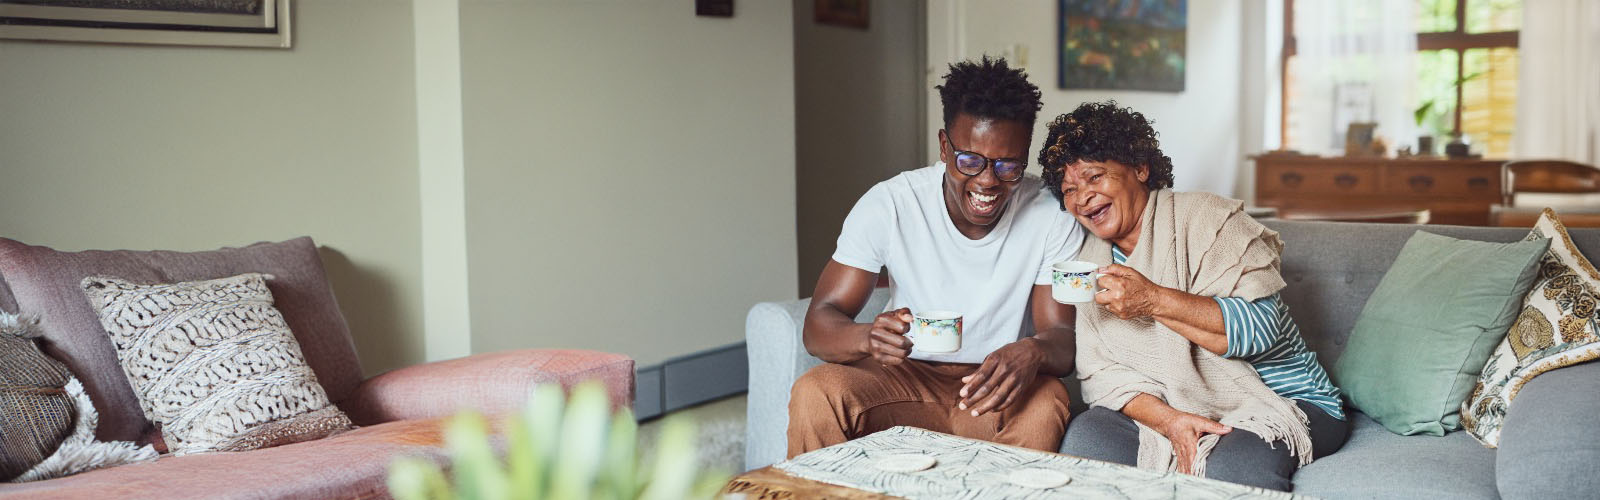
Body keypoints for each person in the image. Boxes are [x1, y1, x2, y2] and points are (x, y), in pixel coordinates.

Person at [786, 57, 1085, 457]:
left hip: (992, 388)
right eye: (970, 161)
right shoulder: (891, 204)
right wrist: (867, 337)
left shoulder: (1050, 213)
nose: (987, 181)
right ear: (945, 147)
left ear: (1025, 156)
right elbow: (818, 327)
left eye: (1007, 165)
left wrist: (1033, 350)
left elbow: (1062, 342)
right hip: (902, 380)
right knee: (816, 391)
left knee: (1046, 400)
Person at [1042, 101, 1348, 491]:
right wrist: (1170, 421)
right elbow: (1099, 374)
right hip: (1171, 404)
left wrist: (1151, 300)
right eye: (1070, 190)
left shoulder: (1209, 219)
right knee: (1087, 439)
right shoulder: (1090, 262)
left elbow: (1260, 330)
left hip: (1281, 401)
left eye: (1095, 177)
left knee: (1231, 469)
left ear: (1139, 167)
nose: (1082, 197)